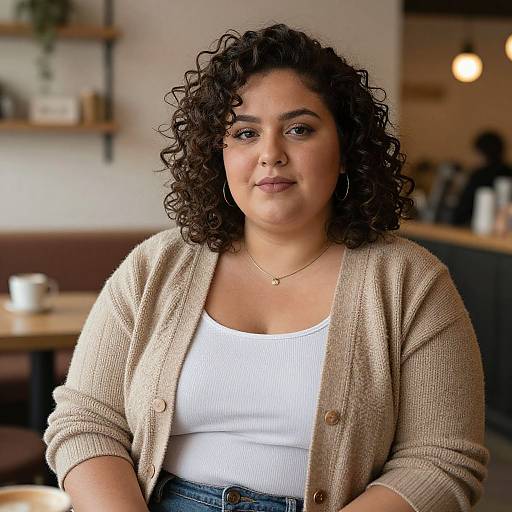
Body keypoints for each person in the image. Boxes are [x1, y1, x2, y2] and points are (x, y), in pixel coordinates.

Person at [43, 23, 489, 512]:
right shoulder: (156, 265)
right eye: (245, 132)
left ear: (345, 150)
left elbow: (441, 461)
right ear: (220, 153)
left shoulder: (411, 282)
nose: (271, 154)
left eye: (299, 129)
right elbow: (86, 421)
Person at [452, 131, 512, 225]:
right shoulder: (508, 172)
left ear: (481, 153)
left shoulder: (479, 175)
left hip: (473, 226)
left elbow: (462, 210)